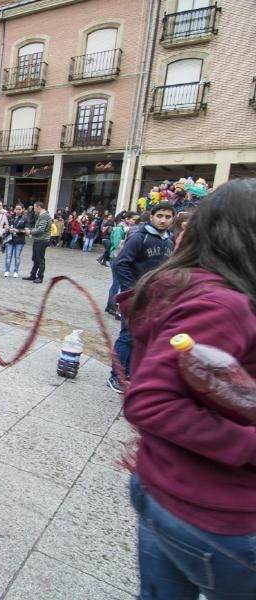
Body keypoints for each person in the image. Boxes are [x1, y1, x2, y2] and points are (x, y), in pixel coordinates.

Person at [120, 179, 256, 599]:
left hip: (165, 488)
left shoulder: (186, 285)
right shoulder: (221, 303)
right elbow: (150, 399)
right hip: (214, 512)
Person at [107, 201, 175, 393]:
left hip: (156, 298)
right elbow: (120, 264)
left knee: (143, 337)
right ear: (152, 216)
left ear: (172, 219)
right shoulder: (139, 238)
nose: (163, 220)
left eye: (167, 216)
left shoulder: (169, 241)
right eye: (159, 216)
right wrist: (132, 289)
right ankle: (116, 376)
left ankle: (130, 372)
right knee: (127, 336)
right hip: (135, 297)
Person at [23, 202, 52, 284]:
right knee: (35, 258)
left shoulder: (45, 216)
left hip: (42, 240)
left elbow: (40, 229)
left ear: (39, 207)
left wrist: (30, 231)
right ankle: (33, 275)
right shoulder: (43, 215)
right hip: (38, 240)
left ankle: (40, 277)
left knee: (40, 259)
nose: (34, 210)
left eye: (35, 208)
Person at [3, 204, 27, 278]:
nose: (18, 211)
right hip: (10, 239)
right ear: (14, 210)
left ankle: (16, 271)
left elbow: (26, 230)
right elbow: (6, 226)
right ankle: (7, 270)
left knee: (17, 256)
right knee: (8, 256)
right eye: (16, 209)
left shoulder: (25, 219)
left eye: (19, 209)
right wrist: (7, 228)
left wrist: (17, 230)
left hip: (19, 240)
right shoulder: (11, 217)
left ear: (22, 210)